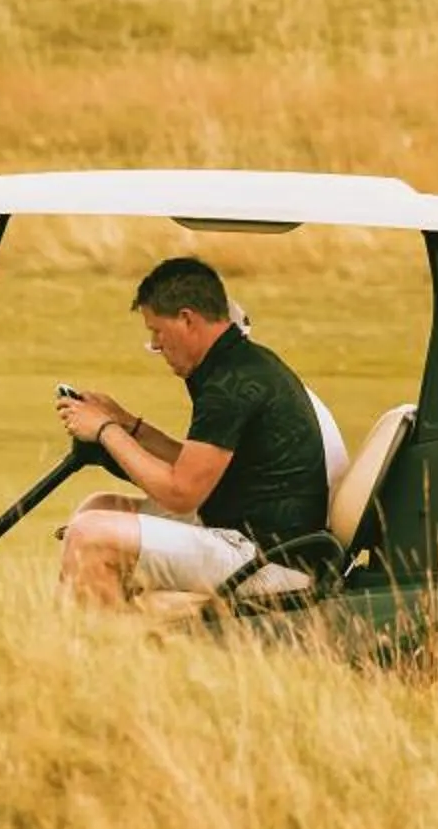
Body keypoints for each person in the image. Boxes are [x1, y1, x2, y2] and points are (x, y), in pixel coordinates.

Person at [54, 254, 330, 608]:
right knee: (102, 507)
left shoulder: (230, 385)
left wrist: (106, 430)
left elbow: (182, 494)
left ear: (187, 319)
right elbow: (195, 464)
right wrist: (127, 423)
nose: (155, 345)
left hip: (269, 561)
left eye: (157, 332)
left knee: (90, 536)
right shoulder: (236, 364)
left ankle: (102, 652)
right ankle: (101, 639)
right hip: (246, 533)